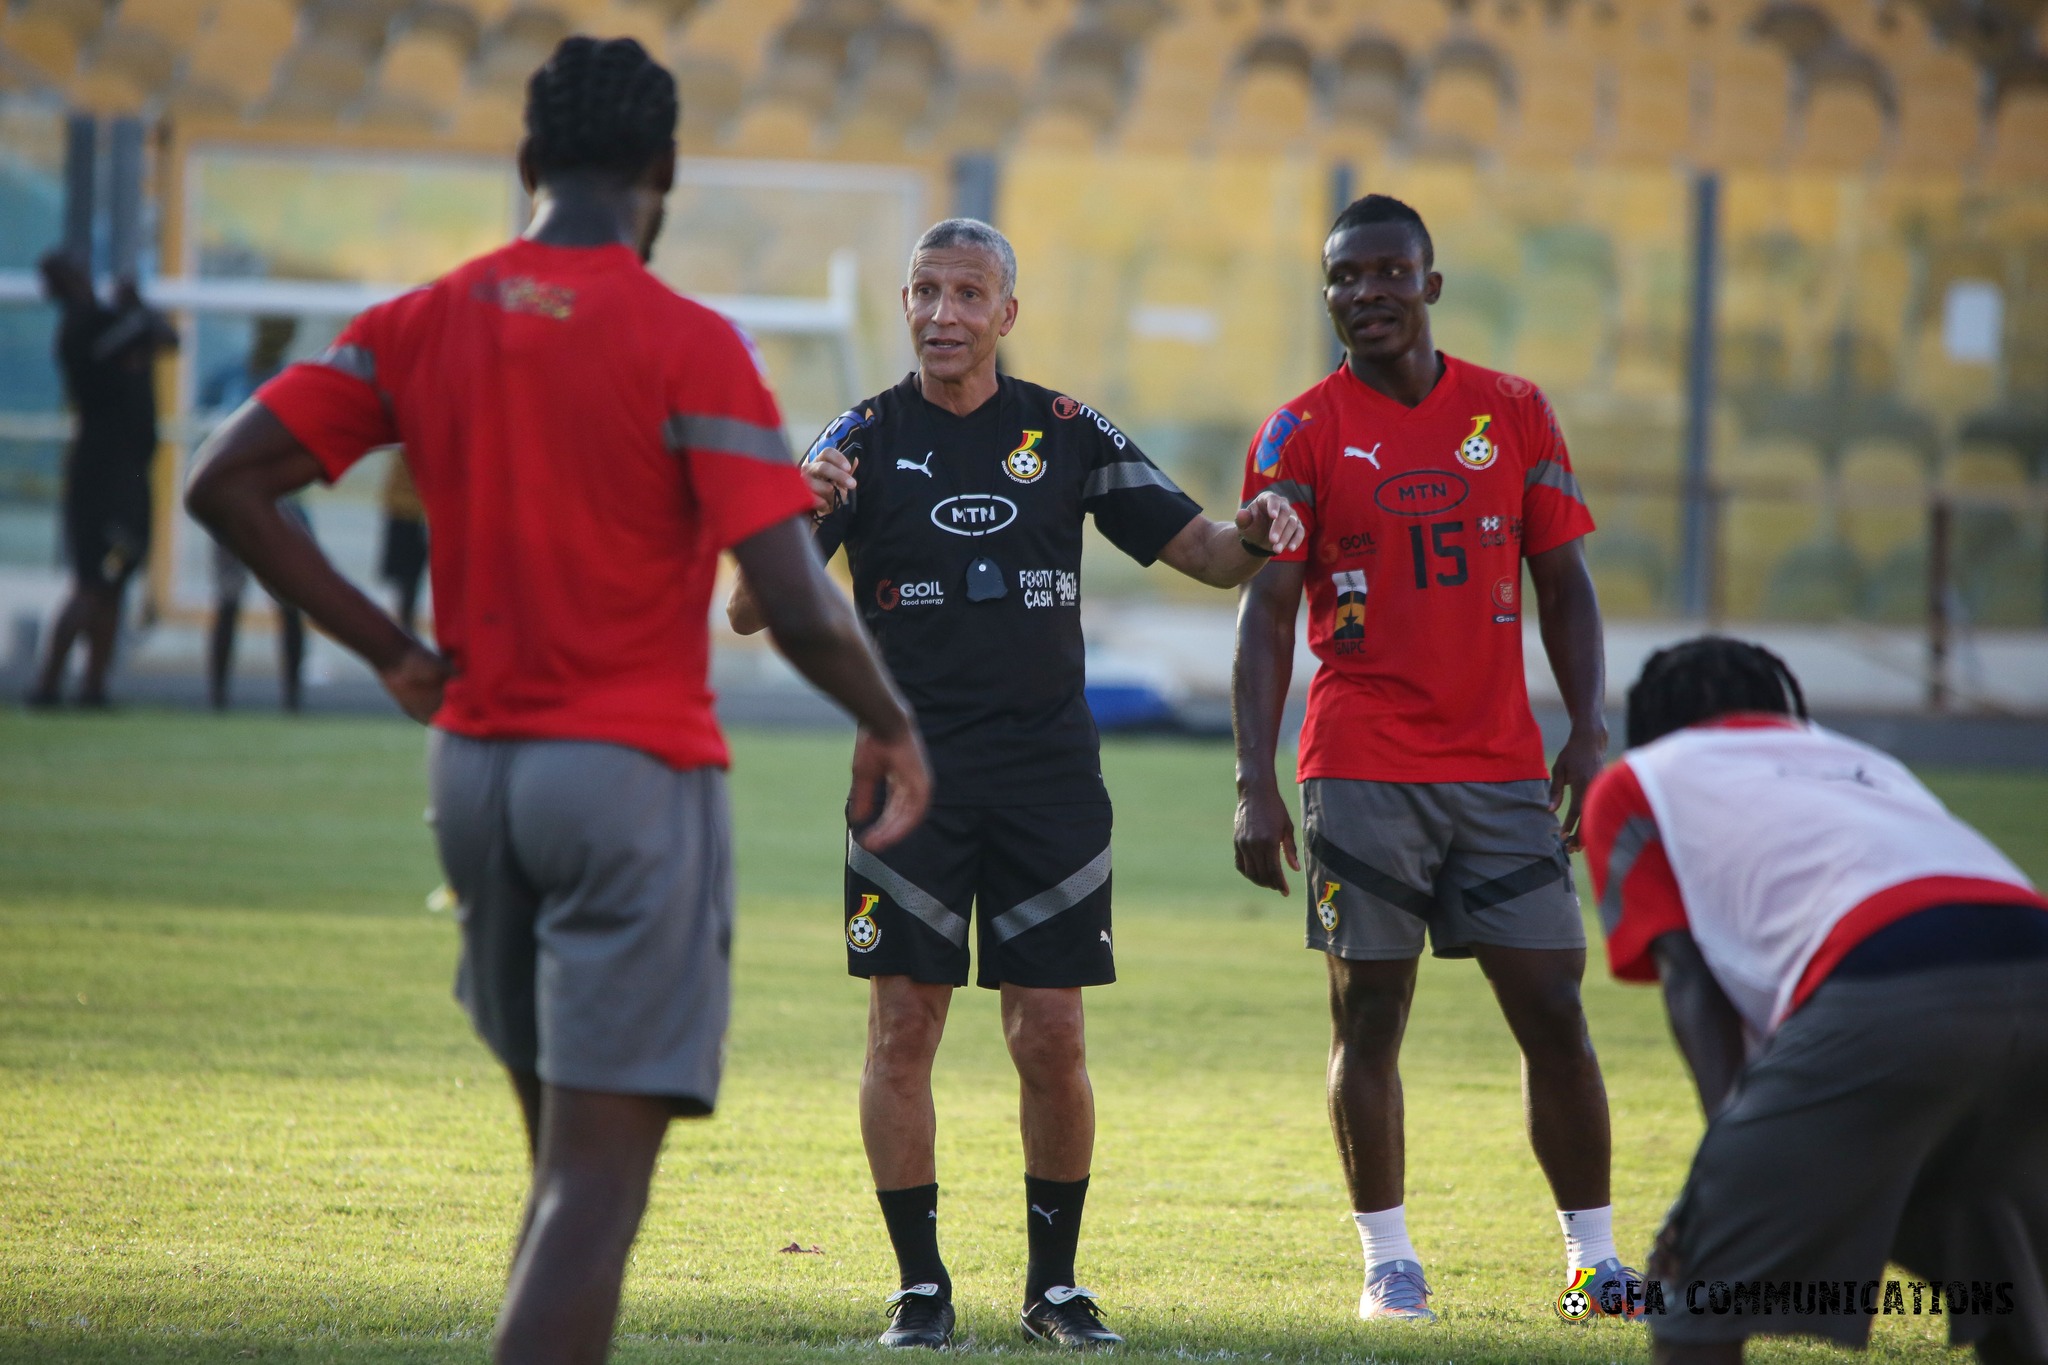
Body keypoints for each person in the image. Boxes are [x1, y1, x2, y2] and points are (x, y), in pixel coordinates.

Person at [185, 37, 931, 1365]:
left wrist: (389, 650)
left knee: (557, 1172)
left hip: (472, 780)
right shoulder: (690, 343)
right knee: (595, 1192)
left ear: (526, 160)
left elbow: (224, 480)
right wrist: (889, 723)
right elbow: (796, 597)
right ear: (666, 173)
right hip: (625, 781)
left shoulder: (419, 320)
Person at [728, 217, 1302, 1350]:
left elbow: (1204, 553)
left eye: (966, 293)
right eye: (923, 291)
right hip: (906, 785)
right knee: (903, 1030)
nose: (941, 313)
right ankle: (919, 1288)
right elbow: (748, 611)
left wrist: (1257, 531)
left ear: (1007, 312)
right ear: (904, 304)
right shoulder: (856, 440)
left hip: (1049, 782)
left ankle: (1055, 1290)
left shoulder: (1066, 430)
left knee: (1051, 1036)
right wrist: (791, 512)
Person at [1232, 194, 1632, 1323]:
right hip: (1359, 764)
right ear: (1328, 297)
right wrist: (1254, 780)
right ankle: (1388, 1262)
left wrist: (1587, 727)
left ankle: (1594, 1263)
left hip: (1501, 768)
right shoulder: (1297, 432)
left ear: (1430, 285)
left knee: (1553, 1006)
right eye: (1343, 278)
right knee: (1368, 1015)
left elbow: (1564, 581)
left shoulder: (1514, 411)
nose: (1365, 293)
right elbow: (1266, 613)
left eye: (1387, 273)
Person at [1585, 637, 2048, 1365]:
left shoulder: (1639, 779)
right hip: (2031, 941)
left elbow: (1692, 985)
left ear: (1654, 725)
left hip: (1887, 974)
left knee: (1693, 1282)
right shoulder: (1865, 760)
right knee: (2009, 1270)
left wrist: (1724, 1171)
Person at [27, 253, 177, 708]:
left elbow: (170, 339)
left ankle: (93, 687)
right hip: (104, 477)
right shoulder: (81, 330)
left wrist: (137, 310)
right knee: (92, 582)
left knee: (114, 582)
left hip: (128, 472)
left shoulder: (107, 322)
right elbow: (146, 335)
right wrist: (138, 309)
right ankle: (48, 685)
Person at [201, 315, 309, 711]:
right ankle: (217, 698)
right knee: (228, 599)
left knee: (291, 601)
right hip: (233, 508)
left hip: (281, 505)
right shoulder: (229, 377)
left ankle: (293, 699)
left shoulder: (295, 381)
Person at [378, 455, 428, 634]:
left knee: (406, 583)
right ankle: (406, 629)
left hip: (410, 516)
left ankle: (406, 629)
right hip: (408, 517)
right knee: (406, 583)